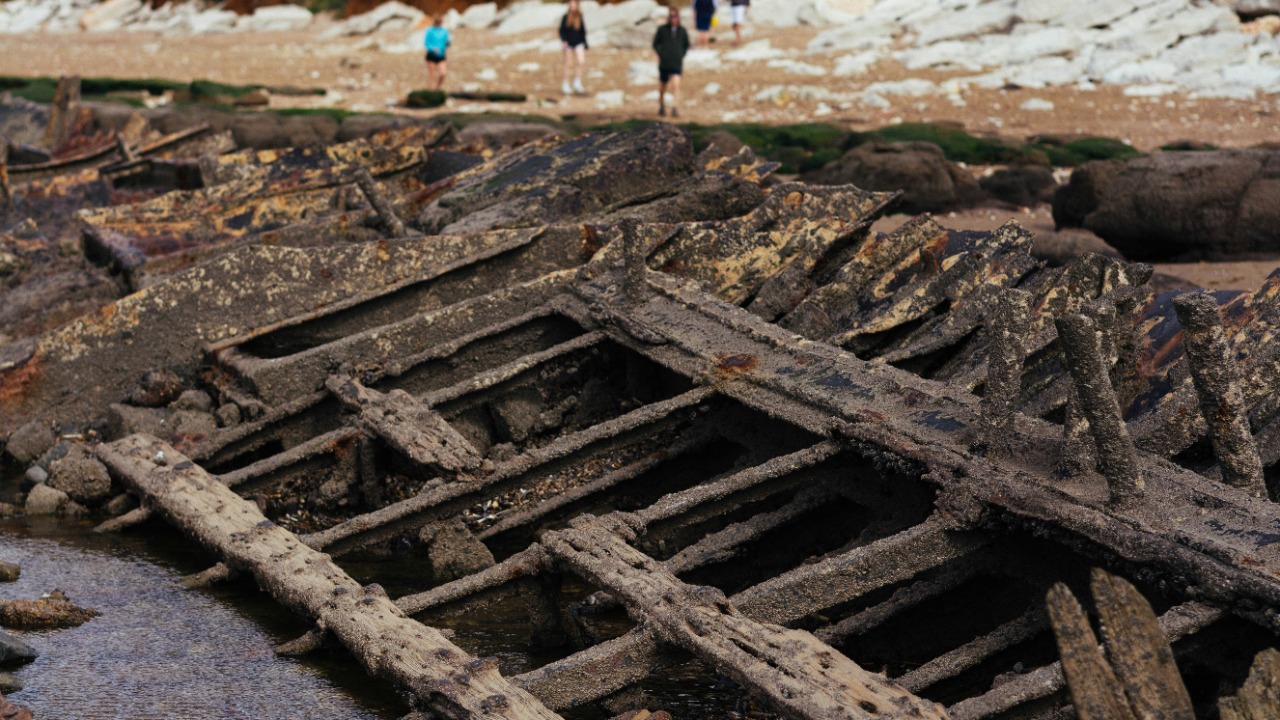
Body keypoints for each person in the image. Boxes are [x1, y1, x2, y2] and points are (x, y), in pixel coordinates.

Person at [652, 6, 690, 117]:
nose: (674, 19)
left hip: (677, 62)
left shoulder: (682, 31)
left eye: (675, 16)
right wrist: (661, 54)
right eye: (672, 16)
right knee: (663, 86)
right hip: (665, 63)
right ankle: (662, 105)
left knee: (676, 85)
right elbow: (655, 44)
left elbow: (686, 45)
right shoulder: (662, 30)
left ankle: (675, 107)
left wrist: (680, 55)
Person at [559, 0, 588, 95]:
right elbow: (561, 30)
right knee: (568, 64)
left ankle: (577, 82)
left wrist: (585, 43)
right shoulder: (565, 17)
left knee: (581, 61)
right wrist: (564, 41)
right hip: (568, 44)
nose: (572, 6)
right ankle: (565, 83)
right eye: (571, 5)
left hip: (579, 42)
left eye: (574, 4)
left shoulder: (579, 17)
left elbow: (583, 31)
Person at [424, 15, 450, 91]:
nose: (438, 23)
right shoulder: (430, 31)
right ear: (434, 22)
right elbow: (426, 43)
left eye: (440, 21)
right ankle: (430, 91)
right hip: (431, 55)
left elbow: (447, 42)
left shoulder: (444, 31)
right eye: (437, 21)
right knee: (432, 74)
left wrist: (448, 44)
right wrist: (432, 49)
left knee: (443, 73)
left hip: (441, 55)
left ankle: (437, 89)